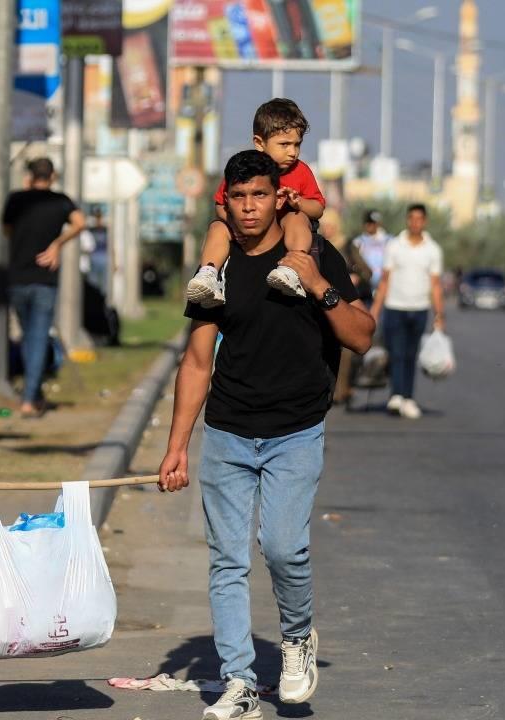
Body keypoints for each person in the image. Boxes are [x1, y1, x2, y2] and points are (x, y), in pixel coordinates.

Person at [158, 150, 374, 720]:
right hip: (228, 432)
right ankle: (239, 683)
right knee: (227, 561)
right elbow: (197, 362)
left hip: (295, 431)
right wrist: (178, 445)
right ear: (225, 202)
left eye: (259, 195)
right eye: (239, 198)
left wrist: (318, 284)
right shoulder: (217, 267)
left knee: (282, 547)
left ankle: (297, 637)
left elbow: (362, 337)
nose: (249, 208)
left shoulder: (311, 252)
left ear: (279, 197)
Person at [186, 98, 325, 307]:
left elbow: (318, 208)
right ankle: (208, 275)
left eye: (297, 144)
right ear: (260, 143)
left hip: (283, 231)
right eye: (284, 144)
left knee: (296, 218)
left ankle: (291, 268)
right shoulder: (245, 169)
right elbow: (220, 205)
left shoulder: (301, 171)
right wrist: (235, 225)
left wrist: (299, 204)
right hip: (247, 233)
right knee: (217, 227)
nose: (292, 152)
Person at [3, 157, 85, 417]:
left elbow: (7, 230)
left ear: (29, 176)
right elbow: (80, 223)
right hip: (44, 279)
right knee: (37, 339)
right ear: (53, 176)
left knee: (29, 338)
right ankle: (30, 399)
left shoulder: (16, 199)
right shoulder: (60, 201)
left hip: (17, 278)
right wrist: (56, 245)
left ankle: (32, 394)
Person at [370, 203, 445, 420]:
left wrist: (439, 315)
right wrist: (375, 310)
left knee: (411, 355)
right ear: (407, 220)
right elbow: (385, 280)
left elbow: (436, 285)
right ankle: (396, 396)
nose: (415, 222)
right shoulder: (394, 246)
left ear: (425, 221)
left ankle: (408, 398)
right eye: (411, 218)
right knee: (396, 353)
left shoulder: (433, 250)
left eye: (419, 218)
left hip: (419, 308)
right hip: (395, 307)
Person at [352, 209, 391, 299]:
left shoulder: (389, 240)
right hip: (365, 289)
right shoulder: (357, 242)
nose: (371, 226)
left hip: (385, 290)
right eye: (369, 223)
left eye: (374, 223)